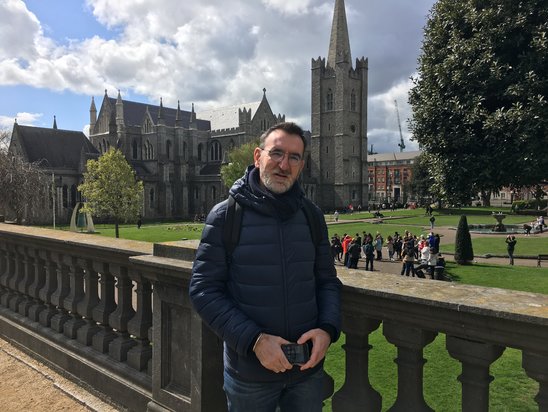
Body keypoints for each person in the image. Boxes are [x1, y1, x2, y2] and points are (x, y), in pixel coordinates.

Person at [189, 122, 341, 412]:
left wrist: (327, 329)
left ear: (302, 165)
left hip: (306, 372)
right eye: (277, 153)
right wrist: (255, 341)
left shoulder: (312, 216)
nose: (284, 164)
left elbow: (327, 282)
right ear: (258, 157)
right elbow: (203, 290)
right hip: (250, 376)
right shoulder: (225, 216)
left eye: (294, 157)